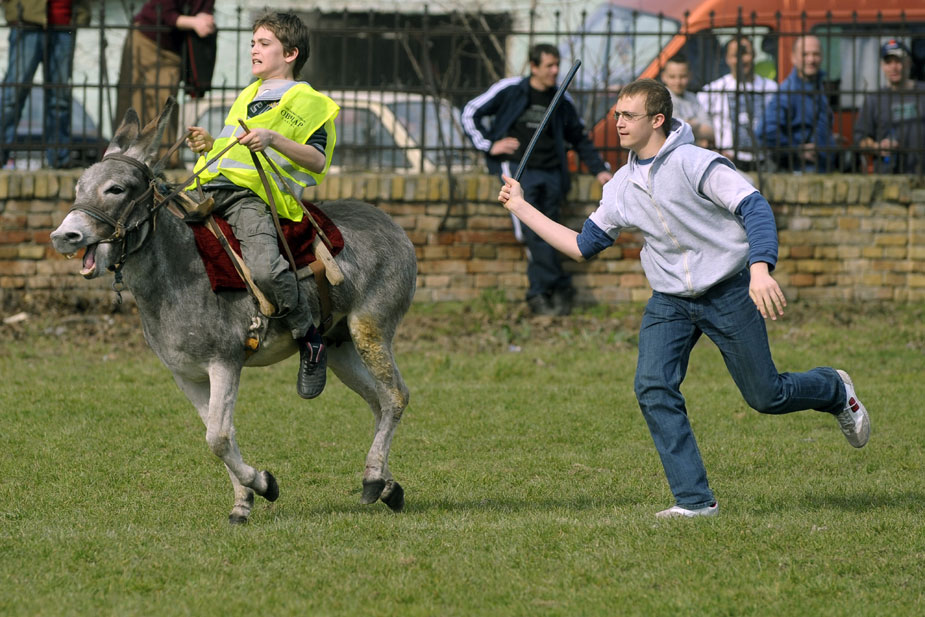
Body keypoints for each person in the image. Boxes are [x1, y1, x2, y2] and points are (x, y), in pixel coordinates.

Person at [498, 79, 871, 519]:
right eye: (617, 114)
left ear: (657, 120)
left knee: (766, 396)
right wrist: (522, 207)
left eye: (628, 115)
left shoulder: (697, 163)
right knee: (653, 386)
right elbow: (583, 246)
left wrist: (758, 269)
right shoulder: (621, 185)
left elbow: (754, 207)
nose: (617, 122)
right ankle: (695, 501)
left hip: (728, 288)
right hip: (670, 300)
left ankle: (833, 388)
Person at [184, 11, 339, 399]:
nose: (254, 49)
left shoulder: (311, 102)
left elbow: (318, 161)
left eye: (264, 43)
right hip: (210, 189)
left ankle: (309, 337)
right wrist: (208, 144)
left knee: (267, 272)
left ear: (290, 53)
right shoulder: (248, 95)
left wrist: (273, 138)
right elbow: (230, 150)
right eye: (253, 42)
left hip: (255, 199)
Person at [462, 43, 613, 316]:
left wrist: (599, 169)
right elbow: (470, 112)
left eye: (557, 65)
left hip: (552, 172)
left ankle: (543, 294)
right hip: (520, 170)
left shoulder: (561, 99)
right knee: (531, 233)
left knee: (548, 230)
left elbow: (579, 137)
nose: (555, 71)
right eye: (549, 66)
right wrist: (488, 144)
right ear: (534, 67)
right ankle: (551, 290)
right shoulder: (510, 89)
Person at [115, 0, 216, 166]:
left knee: (166, 102)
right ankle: (132, 158)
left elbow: (204, 10)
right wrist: (195, 22)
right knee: (140, 102)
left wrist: (204, 19)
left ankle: (164, 159)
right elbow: (165, 13)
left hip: (172, 48)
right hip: (148, 38)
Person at [0, 0, 90, 169]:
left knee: (60, 97)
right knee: (13, 94)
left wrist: (81, 14)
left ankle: (59, 157)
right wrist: (13, 8)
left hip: (63, 23)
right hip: (26, 21)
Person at [698, 35, 777, 171]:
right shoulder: (712, 90)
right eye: (735, 55)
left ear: (754, 55)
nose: (741, 60)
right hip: (729, 161)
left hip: (765, 160)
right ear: (727, 59)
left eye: (745, 53)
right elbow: (701, 127)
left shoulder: (771, 88)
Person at [758, 35, 836, 172]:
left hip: (823, 168)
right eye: (805, 54)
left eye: (815, 54)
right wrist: (796, 149)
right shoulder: (788, 92)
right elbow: (765, 131)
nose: (811, 59)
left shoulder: (818, 85)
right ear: (793, 57)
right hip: (800, 170)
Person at [853, 39, 925, 175]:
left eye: (898, 61)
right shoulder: (874, 99)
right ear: (882, 66)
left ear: (908, 62)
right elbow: (860, 138)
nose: (894, 67)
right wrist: (877, 146)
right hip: (889, 177)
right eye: (888, 62)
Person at [660, 54, 714, 148]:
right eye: (672, 77)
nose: (678, 82)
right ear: (663, 76)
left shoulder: (693, 98)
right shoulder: (661, 98)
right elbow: (675, 130)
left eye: (683, 76)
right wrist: (697, 126)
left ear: (690, 76)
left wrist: (689, 124)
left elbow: (711, 132)